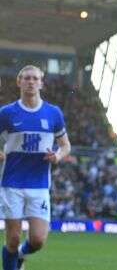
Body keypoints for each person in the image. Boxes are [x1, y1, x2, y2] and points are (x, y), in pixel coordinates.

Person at [0, 65, 71, 270]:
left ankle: (20, 256)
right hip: (11, 183)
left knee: (38, 240)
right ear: (19, 82)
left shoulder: (53, 113)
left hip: (39, 184)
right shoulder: (7, 113)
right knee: (12, 239)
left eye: (35, 78)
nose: (31, 81)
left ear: (41, 83)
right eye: (26, 78)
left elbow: (66, 145)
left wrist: (57, 155)